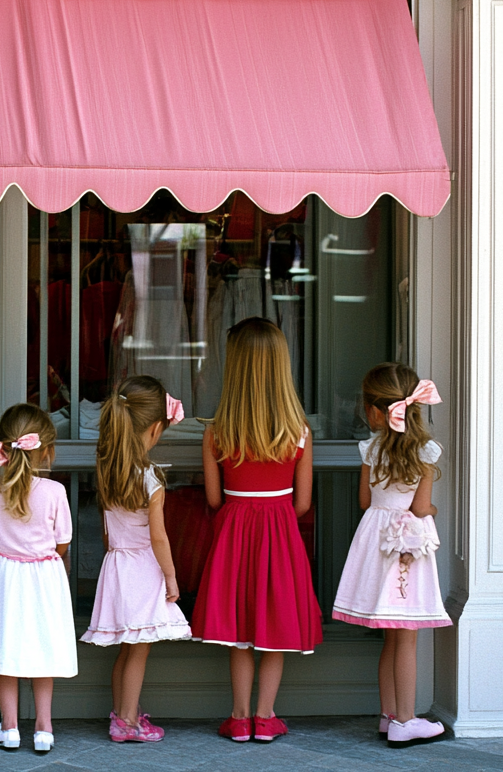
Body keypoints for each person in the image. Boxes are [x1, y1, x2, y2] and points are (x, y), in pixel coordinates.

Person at [193, 317, 323, 743]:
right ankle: (266, 718)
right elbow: (302, 503)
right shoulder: (299, 432)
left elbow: (214, 500)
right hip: (280, 533)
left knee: (240, 634)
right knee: (275, 628)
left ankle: (239, 717)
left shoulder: (217, 432)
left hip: (234, 533)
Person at [332, 363, 450, 747]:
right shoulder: (426, 451)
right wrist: (430, 512)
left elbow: (366, 500)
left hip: (377, 542)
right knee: (408, 638)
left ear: (373, 409)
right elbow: (420, 508)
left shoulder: (371, 448)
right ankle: (405, 720)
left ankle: (388, 715)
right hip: (408, 547)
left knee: (390, 637)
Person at [80, 376, 193, 743]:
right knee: (139, 651)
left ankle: (121, 713)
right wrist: (172, 577)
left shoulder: (107, 469)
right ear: (156, 428)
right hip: (143, 568)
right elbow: (158, 537)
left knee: (125, 649)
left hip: (116, 566)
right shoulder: (150, 478)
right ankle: (127, 723)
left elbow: (106, 530)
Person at [0, 403, 77, 753]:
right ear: (47, 450)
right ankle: (44, 729)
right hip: (44, 579)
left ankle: (9, 728)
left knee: (5, 652)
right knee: (42, 652)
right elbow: (63, 543)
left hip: (6, 580)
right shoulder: (55, 492)